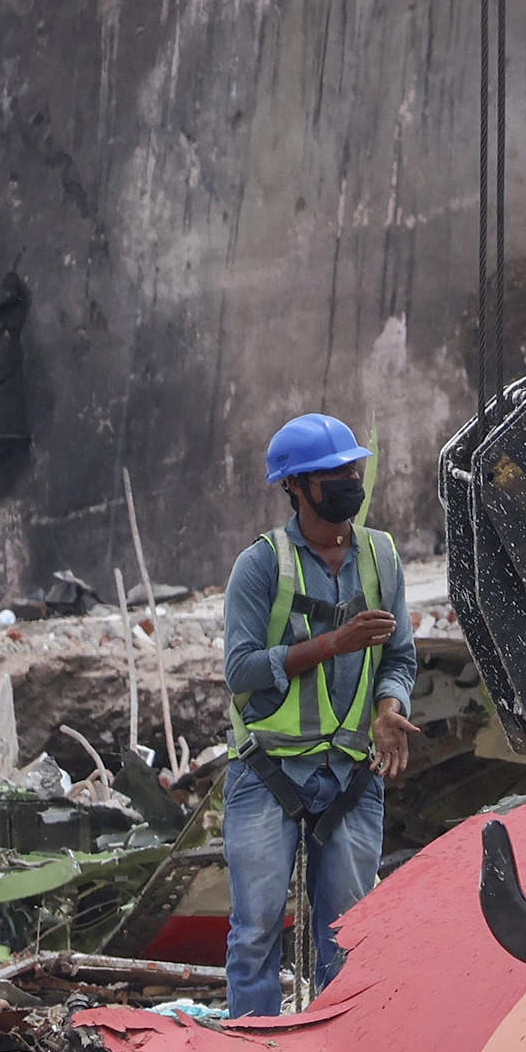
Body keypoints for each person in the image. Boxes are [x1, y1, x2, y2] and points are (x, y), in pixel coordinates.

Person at [222, 413, 424, 1017]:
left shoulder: (381, 556)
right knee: (256, 932)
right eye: (333, 473)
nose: (350, 480)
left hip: (352, 774)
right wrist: (330, 645)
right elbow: (241, 670)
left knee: (352, 936)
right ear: (297, 486)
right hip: (267, 773)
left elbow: (401, 658)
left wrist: (390, 708)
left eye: (353, 469)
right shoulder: (261, 566)